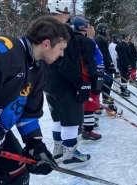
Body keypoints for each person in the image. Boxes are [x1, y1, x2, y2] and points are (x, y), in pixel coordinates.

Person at [0, 15, 69, 185]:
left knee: (18, 174)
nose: (62, 54)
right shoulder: (4, 48)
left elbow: (28, 115)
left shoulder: (39, 71)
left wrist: (35, 145)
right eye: (61, 48)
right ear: (46, 44)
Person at [45, 0, 91, 167]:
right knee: (71, 119)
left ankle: (58, 150)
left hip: (48, 84)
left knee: (58, 118)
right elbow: (66, 61)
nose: (69, 14)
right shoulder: (62, 30)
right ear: (63, 10)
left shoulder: (44, 27)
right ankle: (70, 153)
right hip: (64, 82)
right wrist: (80, 82)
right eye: (68, 10)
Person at [71, 17, 102, 140]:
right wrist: (95, 77)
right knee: (89, 102)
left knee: (78, 101)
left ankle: (80, 125)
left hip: (72, 76)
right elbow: (89, 62)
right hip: (85, 75)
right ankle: (87, 130)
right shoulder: (86, 41)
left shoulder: (68, 40)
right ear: (83, 27)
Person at [94, 23, 116, 104]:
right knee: (107, 81)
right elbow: (103, 54)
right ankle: (105, 98)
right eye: (106, 29)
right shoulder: (100, 40)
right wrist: (109, 65)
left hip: (105, 65)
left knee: (109, 81)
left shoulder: (101, 39)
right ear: (103, 30)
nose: (107, 31)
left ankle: (106, 97)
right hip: (104, 66)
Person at [87, 24, 104, 122]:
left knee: (96, 91)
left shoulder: (92, 40)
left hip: (99, 69)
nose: (94, 31)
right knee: (93, 92)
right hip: (94, 70)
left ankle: (91, 114)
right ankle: (88, 119)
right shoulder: (88, 41)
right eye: (92, 29)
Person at [115, 31, 131, 98]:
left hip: (120, 63)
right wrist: (128, 64)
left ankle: (124, 90)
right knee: (124, 77)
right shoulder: (124, 45)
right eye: (127, 37)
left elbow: (116, 49)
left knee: (124, 77)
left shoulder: (119, 44)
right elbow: (125, 56)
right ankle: (123, 91)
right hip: (123, 64)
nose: (128, 38)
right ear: (125, 37)